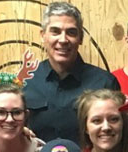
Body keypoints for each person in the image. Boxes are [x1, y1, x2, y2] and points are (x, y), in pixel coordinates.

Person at [24, 2, 121, 143]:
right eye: (55, 31)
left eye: (71, 32)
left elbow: (118, 137)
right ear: (43, 35)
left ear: (81, 38)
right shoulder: (27, 81)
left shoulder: (105, 83)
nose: (63, 40)